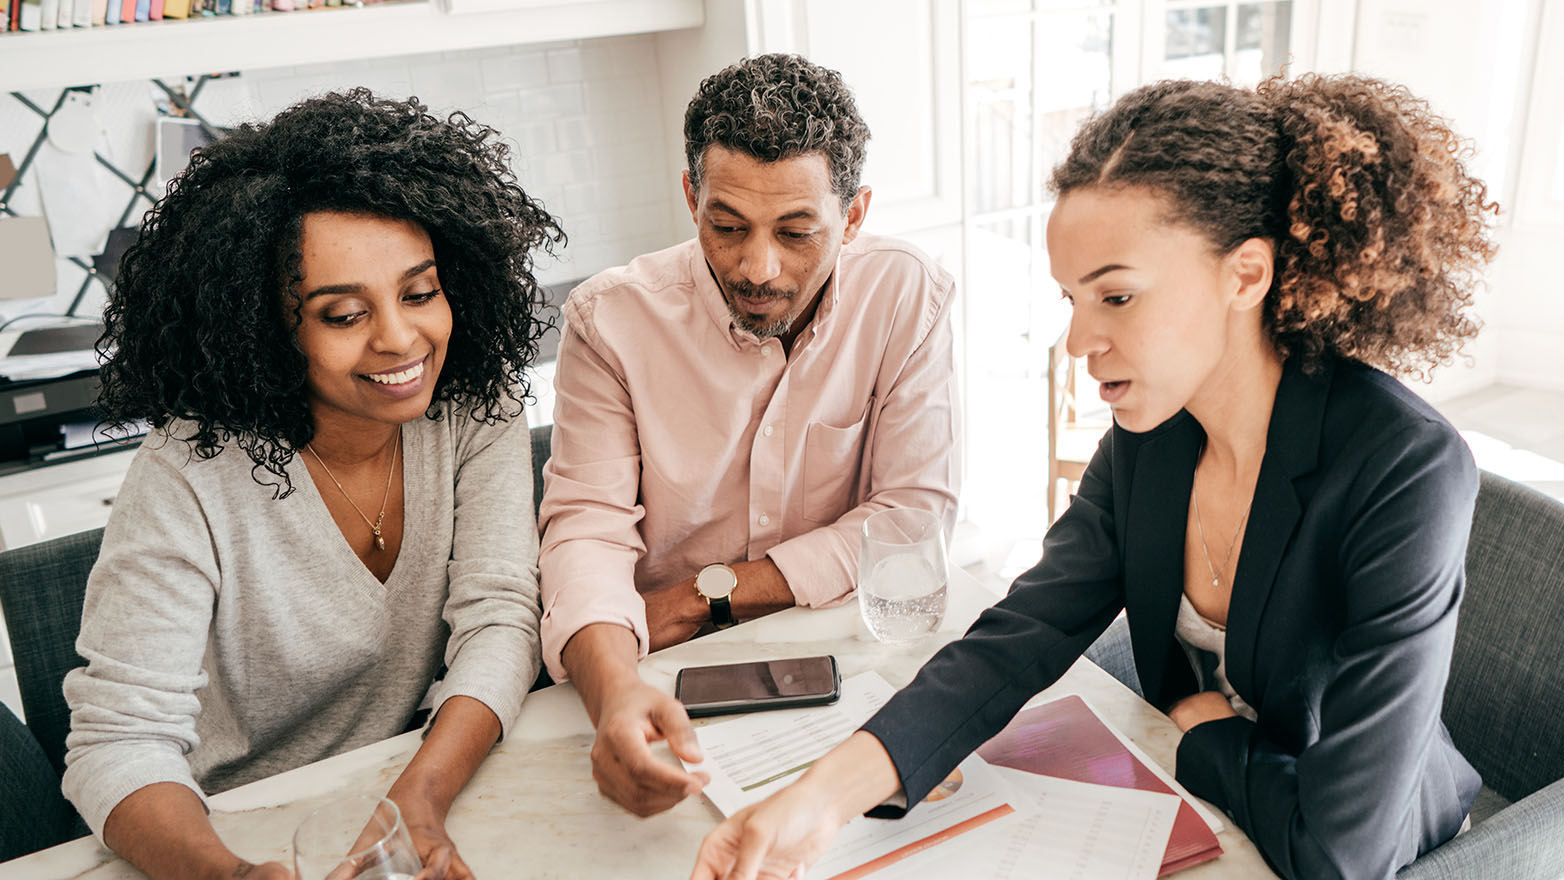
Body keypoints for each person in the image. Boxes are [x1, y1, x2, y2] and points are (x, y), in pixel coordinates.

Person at [690, 72, 1498, 880]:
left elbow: (1340, 852)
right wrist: (821, 798)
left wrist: (1203, 730)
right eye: (1073, 299)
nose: (1079, 341)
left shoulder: (1403, 468)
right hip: (1212, 807)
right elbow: (1025, 631)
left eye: (1117, 295)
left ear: (1245, 276)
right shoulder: (1155, 435)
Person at [63, 89, 563, 880]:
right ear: (269, 328)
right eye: (342, 314)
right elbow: (117, 744)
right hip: (233, 830)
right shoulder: (187, 473)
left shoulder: (474, 403)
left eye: (420, 292)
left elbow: (501, 619)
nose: (401, 339)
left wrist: (418, 804)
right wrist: (230, 873)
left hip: (427, 783)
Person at [538, 53, 960, 817]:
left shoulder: (906, 293)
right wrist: (614, 699)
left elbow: (912, 520)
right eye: (725, 227)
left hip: (843, 656)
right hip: (662, 672)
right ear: (691, 197)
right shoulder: (610, 322)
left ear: (854, 216)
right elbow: (585, 533)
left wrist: (711, 595)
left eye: (798, 232)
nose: (758, 267)